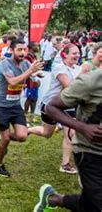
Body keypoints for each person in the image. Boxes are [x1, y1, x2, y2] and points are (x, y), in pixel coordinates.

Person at [33, 67, 102, 212]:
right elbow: (51, 107)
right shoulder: (91, 82)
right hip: (90, 152)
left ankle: (52, 199)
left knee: (90, 203)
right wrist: (82, 127)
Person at [27, 44, 83, 174]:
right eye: (74, 53)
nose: (77, 55)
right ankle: (29, 130)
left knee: (70, 132)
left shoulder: (77, 68)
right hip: (51, 105)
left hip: (68, 105)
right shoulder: (59, 68)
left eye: (78, 53)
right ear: (65, 54)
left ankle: (65, 164)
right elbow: (69, 87)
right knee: (47, 133)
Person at [0, 38, 43, 177]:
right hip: (1, 106)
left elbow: (36, 83)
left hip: (15, 106)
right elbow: (13, 82)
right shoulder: (5, 64)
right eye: (19, 50)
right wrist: (30, 71)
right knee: (6, 139)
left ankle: (2, 137)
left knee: (22, 136)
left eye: (24, 49)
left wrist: (35, 77)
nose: (22, 53)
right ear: (11, 50)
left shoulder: (26, 64)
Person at [23, 42, 40, 123]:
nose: (38, 47)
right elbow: (28, 68)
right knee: (29, 98)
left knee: (35, 98)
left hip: (35, 79)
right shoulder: (27, 57)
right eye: (36, 45)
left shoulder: (34, 56)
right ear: (32, 47)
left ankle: (32, 115)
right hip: (29, 80)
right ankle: (25, 115)